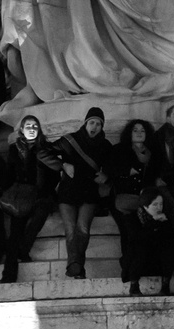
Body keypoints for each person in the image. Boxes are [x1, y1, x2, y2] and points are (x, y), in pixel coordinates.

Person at [54, 107, 115, 279]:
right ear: (86, 123)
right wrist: (63, 165)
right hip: (68, 192)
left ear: (102, 127)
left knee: (83, 228)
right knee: (71, 229)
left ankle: (75, 265)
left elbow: (111, 167)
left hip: (89, 193)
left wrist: (106, 175)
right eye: (92, 122)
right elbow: (45, 152)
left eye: (98, 124)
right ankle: (77, 267)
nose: (94, 126)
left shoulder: (105, 146)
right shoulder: (69, 140)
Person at [1, 115, 61, 285]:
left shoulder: (45, 148)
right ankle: (8, 275)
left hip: (41, 194)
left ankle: (24, 249)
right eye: (28, 126)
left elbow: (54, 173)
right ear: (22, 129)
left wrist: (44, 190)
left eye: (35, 126)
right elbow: (9, 173)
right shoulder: (15, 149)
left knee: (40, 213)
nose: (32, 129)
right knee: (14, 233)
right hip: (21, 195)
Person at [120, 188, 174, 296]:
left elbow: (170, 240)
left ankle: (165, 285)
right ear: (145, 205)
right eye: (155, 204)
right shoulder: (132, 218)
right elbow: (135, 238)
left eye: (161, 204)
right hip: (138, 260)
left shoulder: (165, 219)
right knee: (139, 247)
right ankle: (134, 286)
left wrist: (162, 224)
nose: (159, 208)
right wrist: (153, 222)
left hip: (158, 261)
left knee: (167, 247)